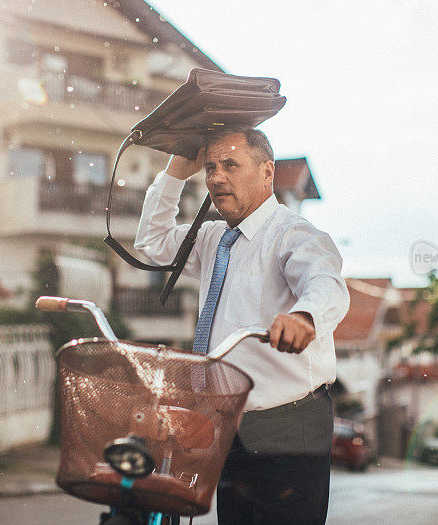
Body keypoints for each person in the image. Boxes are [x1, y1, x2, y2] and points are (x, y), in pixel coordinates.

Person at [134, 126, 350, 524]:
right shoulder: (214, 238)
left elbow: (326, 282)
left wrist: (305, 317)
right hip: (231, 425)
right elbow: (151, 241)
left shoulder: (294, 234)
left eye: (231, 165)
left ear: (267, 172)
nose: (216, 177)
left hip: (290, 423)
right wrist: (174, 174)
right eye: (211, 167)